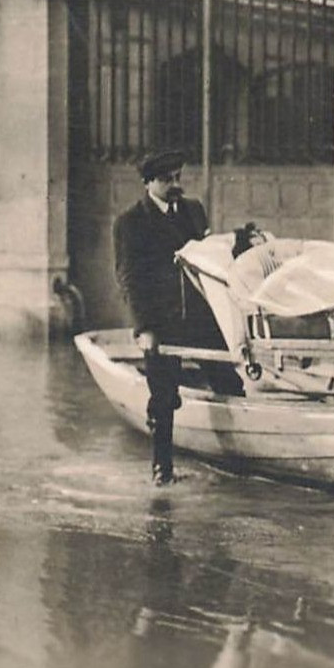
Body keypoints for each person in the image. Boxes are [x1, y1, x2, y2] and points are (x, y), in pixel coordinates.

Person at [113, 149, 223, 486]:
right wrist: (144, 328)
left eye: (178, 177)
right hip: (161, 322)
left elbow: (210, 261)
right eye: (166, 180)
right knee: (163, 396)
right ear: (148, 183)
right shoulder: (131, 222)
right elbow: (129, 278)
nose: (175, 185)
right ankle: (163, 469)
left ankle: (237, 445)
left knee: (229, 380)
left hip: (200, 317)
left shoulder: (193, 211)